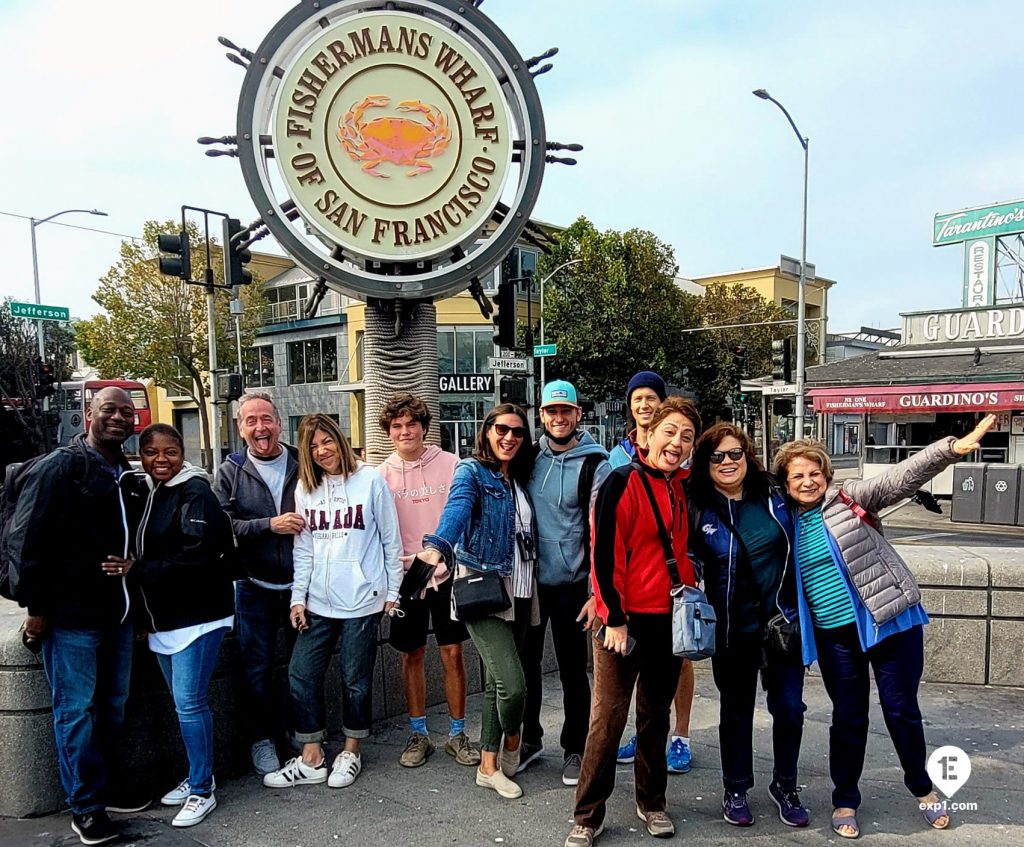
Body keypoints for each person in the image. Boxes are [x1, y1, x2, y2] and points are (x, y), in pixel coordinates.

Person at [773, 414, 996, 839]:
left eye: (814, 472)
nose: (806, 481)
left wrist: (950, 450)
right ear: (785, 482)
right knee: (849, 717)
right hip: (836, 637)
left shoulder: (848, 499)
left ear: (826, 473)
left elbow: (901, 477)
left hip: (889, 621)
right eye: (796, 475)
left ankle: (923, 789)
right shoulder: (784, 522)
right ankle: (845, 799)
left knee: (901, 711)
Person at [7, 387, 150, 846]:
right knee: (76, 713)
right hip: (72, 619)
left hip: (119, 617)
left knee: (112, 707)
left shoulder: (123, 473)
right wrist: (37, 610)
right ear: (89, 414)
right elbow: (27, 543)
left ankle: (103, 789)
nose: (118, 418)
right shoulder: (61, 468)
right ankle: (86, 808)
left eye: (126, 412)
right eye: (109, 409)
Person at [566, 397, 702, 847]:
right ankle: (587, 815)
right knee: (607, 719)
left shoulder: (683, 486)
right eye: (670, 432)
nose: (677, 443)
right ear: (650, 431)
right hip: (623, 623)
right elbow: (603, 555)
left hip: (668, 621)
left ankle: (652, 801)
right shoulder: (621, 481)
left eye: (686, 437)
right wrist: (615, 620)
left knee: (653, 717)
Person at [262, 414, 402, 790]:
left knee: (355, 679)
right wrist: (297, 599)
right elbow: (303, 551)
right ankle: (312, 757)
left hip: (362, 599)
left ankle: (352, 751)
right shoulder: (306, 489)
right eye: (312, 446)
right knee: (301, 674)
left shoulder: (370, 479)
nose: (322, 450)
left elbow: (391, 539)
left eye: (327, 441)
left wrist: (393, 592)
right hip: (318, 602)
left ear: (340, 439)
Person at [410, 404, 537, 800]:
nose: (509, 437)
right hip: (482, 586)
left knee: (500, 680)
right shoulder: (471, 471)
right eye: (502, 429)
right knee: (514, 687)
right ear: (487, 431)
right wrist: (437, 546)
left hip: (522, 588)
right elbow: (457, 509)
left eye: (517, 432)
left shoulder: (518, 476)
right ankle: (513, 739)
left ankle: (487, 765)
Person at [687, 424, 807, 828]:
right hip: (730, 630)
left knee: (789, 709)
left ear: (748, 455)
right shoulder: (698, 507)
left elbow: (817, 501)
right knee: (735, 712)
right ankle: (735, 787)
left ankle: (785, 786)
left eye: (734, 454)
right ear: (705, 463)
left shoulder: (773, 494)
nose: (727, 462)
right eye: (717, 456)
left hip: (781, 624)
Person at [134, 424, 235, 828]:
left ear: (183, 453)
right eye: (152, 452)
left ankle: (202, 789)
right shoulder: (147, 491)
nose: (161, 459)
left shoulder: (196, 492)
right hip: (163, 619)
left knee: (190, 704)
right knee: (183, 705)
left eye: (170, 452)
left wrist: (139, 569)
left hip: (199, 617)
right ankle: (197, 773)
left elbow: (198, 555)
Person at [377, 393, 480, 768]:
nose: (405, 432)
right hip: (407, 579)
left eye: (412, 424)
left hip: (449, 574)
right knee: (411, 655)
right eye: (397, 426)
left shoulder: (452, 465)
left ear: (424, 427)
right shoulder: (380, 476)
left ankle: (457, 733)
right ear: (389, 431)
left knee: (453, 653)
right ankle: (419, 732)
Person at [520, 380, 610, 786]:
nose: (558, 418)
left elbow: (601, 533)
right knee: (527, 666)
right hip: (531, 583)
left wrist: (595, 591)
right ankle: (529, 739)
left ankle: (575, 747)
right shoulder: (529, 458)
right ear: (541, 416)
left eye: (565, 411)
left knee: (574, 671)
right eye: (551, 412)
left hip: (574, 584)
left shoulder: (596, 463)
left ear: (578, 415)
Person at [609, 371, 695, 775]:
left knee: (679, 664)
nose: (643, 405)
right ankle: (642, 738)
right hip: (628, 593)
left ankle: (679, 736)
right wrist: (606, 600)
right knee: (616, 702)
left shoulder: (683, 464)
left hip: (676, 589)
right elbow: (604, 536)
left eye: (651, 399)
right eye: (637, 398)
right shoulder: (617, 459)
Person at [214, 392, 303, 776]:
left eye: (266, 419)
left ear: (279, 423)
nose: (260, 428)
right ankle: (263, 740)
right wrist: (269, 525)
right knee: (256, 670)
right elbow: (220, 528)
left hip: (304, 587)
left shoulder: (304, 460)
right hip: (253, 587)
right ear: (240, 428)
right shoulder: (229, 471)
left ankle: (304, 734)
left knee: (303, 666)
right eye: (251, 421)